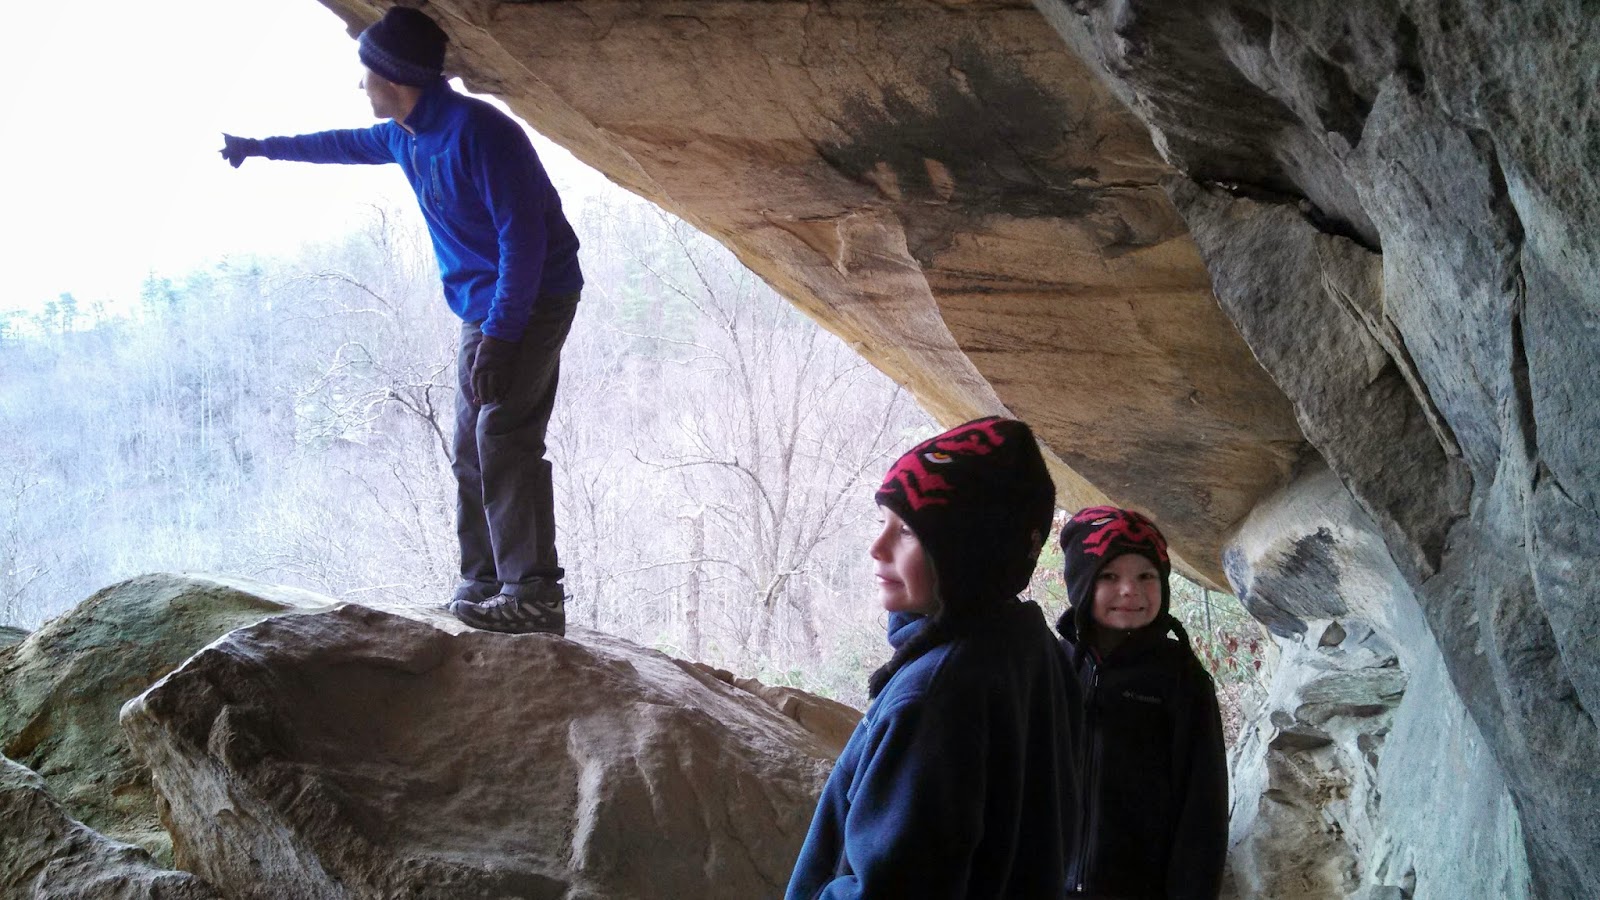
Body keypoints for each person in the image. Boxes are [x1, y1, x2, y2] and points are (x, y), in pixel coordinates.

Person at [218, 7, 583, 635]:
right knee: (470, 445)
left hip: (533, 296)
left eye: (365, 74)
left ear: (394, 79)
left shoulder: (480, 133)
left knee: (504, 436)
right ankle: (485, 580)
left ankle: (534, 595)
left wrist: (501, 337)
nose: (359, 85)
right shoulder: (405, 135)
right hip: (483, 307)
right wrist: (259, 148)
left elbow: (522, 240)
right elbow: (337, 144)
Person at [786, 417, 1077, 899]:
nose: (877, 547)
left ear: (971, 553)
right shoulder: (1031, 648)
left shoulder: (936, 696)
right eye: (882, 522)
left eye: (907, 531)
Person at [1055, 506, 1228, 899]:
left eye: (1146, 576)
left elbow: (1204, 806)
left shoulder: (1182, 679)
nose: (1129, 590)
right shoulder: (1054, 666)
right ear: (1081, 583)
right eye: (1109, 576)